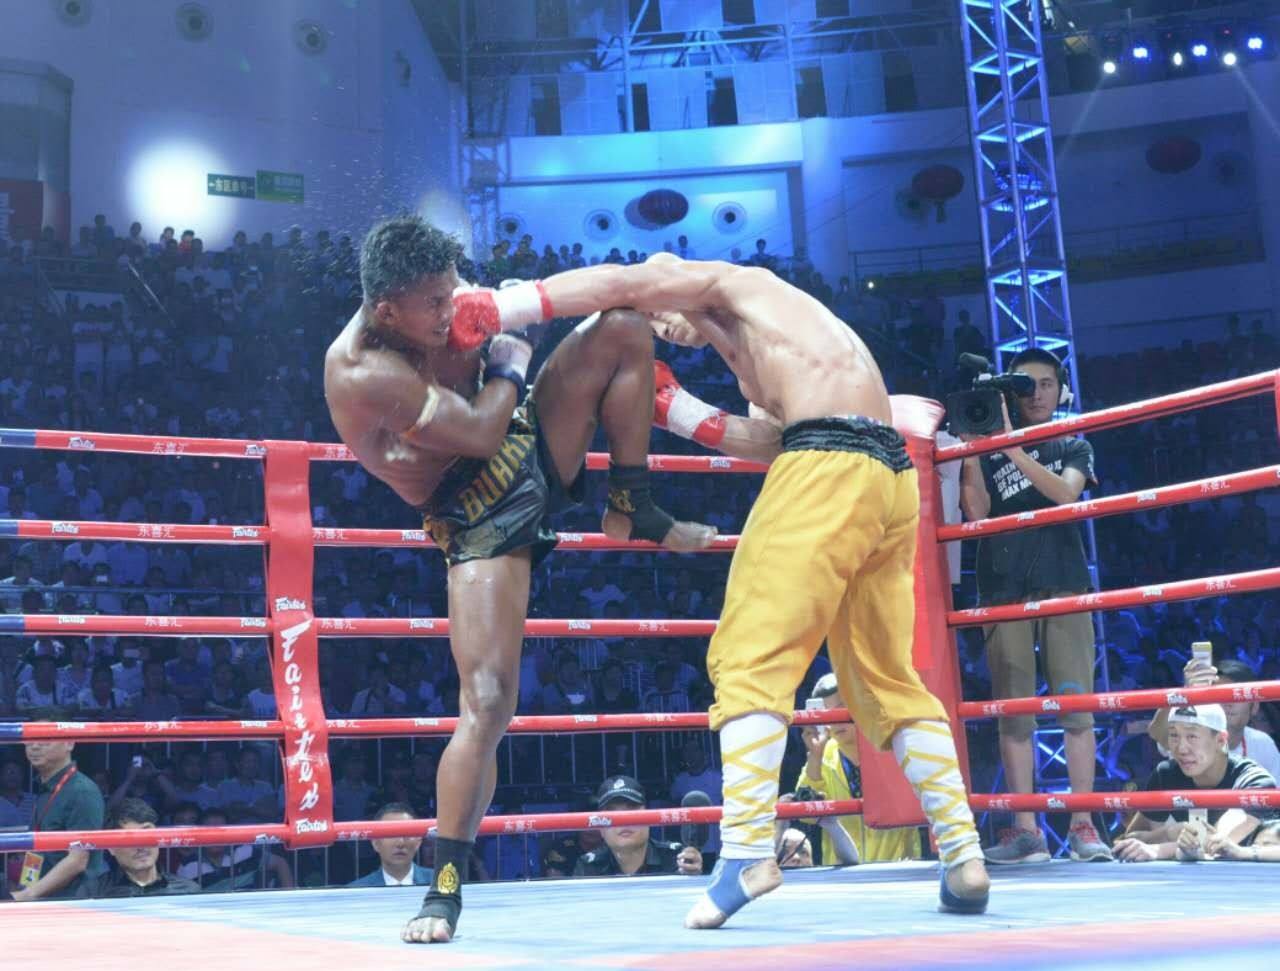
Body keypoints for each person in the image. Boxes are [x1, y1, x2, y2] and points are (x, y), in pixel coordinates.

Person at [444, 251, 989, 923]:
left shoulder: (738, 283)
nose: (661, 327)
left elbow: (623, 281)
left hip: (829, 465)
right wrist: (677, 408)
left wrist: (502, 306)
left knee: (749, 657)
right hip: (888, 477)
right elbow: (771, 440)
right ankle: (964, 855)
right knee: (886, 676)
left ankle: (745, 853)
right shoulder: (782, 339)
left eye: (659, 311)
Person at [322, 216, 713, 944]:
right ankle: (444, 887)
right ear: (387, 311)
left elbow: (580, 297)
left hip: (524, 435)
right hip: (472, 503)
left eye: (452, 292)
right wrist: (513, 353)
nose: (450, 310)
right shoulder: (364, 370)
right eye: (434, 305)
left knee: (624, 328)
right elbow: (475, 433)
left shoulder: (445, 299)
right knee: (489, 700)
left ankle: (630, 501)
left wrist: (669, 303)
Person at [957, 347, 1112, 865]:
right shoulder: (986, 446)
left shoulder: (1072, 441)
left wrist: (1014, 448)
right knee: (1014, 714)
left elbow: (1066, 496)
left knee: (1076, 707)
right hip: (1001, 587)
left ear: (1060, 390)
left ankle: (1084, 824)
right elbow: (977, 514)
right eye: (1026, 385)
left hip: (1063, 583)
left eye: (1047, 384)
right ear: (1009, 392)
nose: (1038, 394)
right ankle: (1026, 831)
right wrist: (975, 453)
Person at [1114, 704, 1278, 863]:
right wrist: (1169, 832)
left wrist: (1158, 850)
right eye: (1174, 735)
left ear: (1221, 740)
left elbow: (1217, 843)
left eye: (1192, 737)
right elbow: (1128, 839)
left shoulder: (1254, 780)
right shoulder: (1167, 774)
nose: (1182, 749)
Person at [795, 673, 922, 865]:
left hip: (898, 867)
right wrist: (815, 755)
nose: (835, 719)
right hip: (842, 871)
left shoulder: (892, 745)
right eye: (827, 713)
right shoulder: (822, 756)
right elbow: (806, 816)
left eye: (841, 708)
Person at [1147, 656, 1280, 783]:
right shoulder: (1187, 729)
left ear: (1254, 706)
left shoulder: (1263, 743)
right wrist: (1186, 692)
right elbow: (1156, 733)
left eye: (1237, 696)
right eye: (1221, 694)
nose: (1228, 703)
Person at [12, 740, 106, 901]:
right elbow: (38, 852)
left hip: (73, 900)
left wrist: (25, 895)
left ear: (69, 743)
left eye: (45, 740)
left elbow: (78, 860)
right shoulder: (46, 788)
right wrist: (26, 888)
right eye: (29, 741)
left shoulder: (81, 791)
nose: (34, 746)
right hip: (45, 896)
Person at [572, 776, 703, 877]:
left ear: (649, 817)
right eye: (612, 813)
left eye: (632, 809)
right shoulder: (588, 867)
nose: (623, 820)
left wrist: (693, 874)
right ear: (601, 829)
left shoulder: (676, 858)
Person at [80, 798, 200, 898]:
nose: (141, 846)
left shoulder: (188, 891)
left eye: (146, 835)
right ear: (111, 848)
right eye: (129, 838)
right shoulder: (93, 893)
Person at [348, 802, 434, 887]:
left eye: (406, 834)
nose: (400, 843)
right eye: (392, 835)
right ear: (375, 843)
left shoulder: (438, 882)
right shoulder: (356, 890)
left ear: (418, 842)